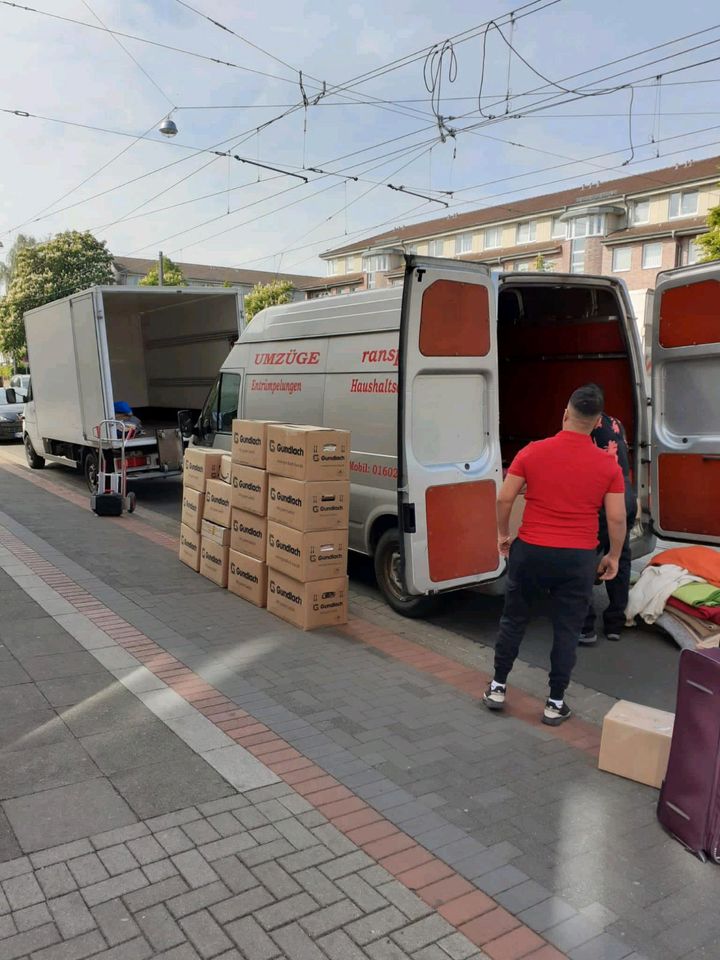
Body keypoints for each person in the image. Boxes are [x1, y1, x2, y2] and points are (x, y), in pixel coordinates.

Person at [483, 384, 626, 726]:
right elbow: (617, 517)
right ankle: (554, 702)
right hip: (577, 558)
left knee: (513, 619)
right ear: (596, 424)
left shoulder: (532, 452)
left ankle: (498, 687)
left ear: (565, 413)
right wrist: (614, 556)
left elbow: (504, 498)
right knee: (567, 629)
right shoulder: (608, 466)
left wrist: (504, 535)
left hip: (530, 551)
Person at [580, 403, 637, 645]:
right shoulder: (617, 423)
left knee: (582, 556)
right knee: (620, 556)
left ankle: (585, 627)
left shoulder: (584, 424)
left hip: (604, 496)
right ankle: (615, 623)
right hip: (627, 494)